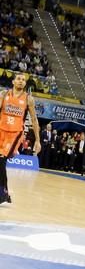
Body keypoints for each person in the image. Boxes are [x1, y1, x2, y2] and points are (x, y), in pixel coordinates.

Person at [0, 73, 41, 203]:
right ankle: (5, 193)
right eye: (18, 79)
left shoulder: (29, 99)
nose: (21, 81)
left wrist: (38, 140)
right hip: (1, 131)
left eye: (23, 80)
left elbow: (34, 120)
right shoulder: (3, 94)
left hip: (15, 133)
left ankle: (2, 193)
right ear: (13, 81)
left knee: (1, 160)